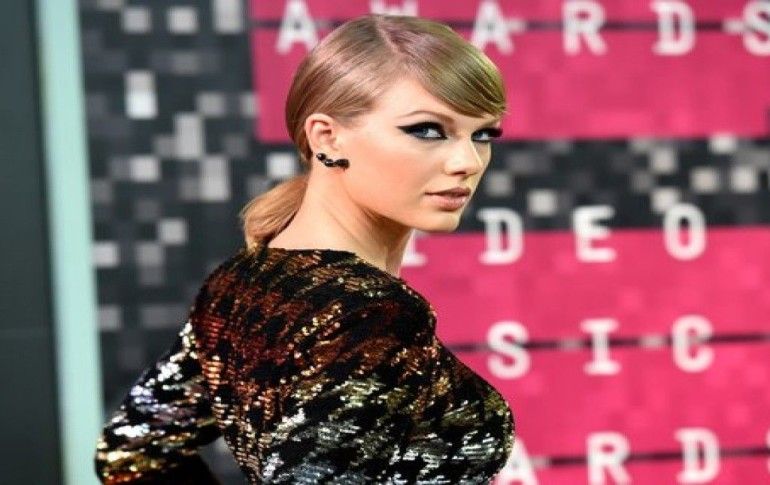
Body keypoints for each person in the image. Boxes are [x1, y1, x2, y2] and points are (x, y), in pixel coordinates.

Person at [94, 12, 514, 484]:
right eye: (427, 130)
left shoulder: (237, 285)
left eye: (484, 134)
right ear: (326, 136)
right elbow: (132, 452)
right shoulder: (369, 315)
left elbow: (131, 450)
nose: (467, 161)